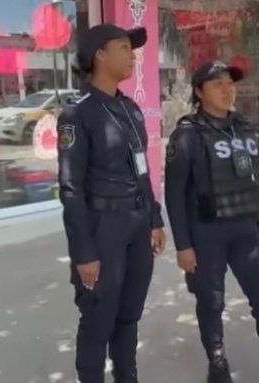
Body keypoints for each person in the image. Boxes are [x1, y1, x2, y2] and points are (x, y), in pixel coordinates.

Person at [165, 60, 259, 383]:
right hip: (206, 232)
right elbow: (174, 195)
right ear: (199, 92)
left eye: (230, 82)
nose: (228, 90)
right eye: (217, 84)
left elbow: (256, 179)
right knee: (211, 301)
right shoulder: (187, 135)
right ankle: (217, 363)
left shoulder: (244, 125)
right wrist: (183, 246)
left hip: (245, 230)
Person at [57, 23, 167, 383]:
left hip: (137, 226)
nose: (132, 55)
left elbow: (142, 169)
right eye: (123, 46)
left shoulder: (130, 109)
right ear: (99, 55)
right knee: (98, 318)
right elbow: (70, 188)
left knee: (128, 314)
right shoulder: (79, 113)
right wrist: (83, 252)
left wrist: (154, 217)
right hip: (103, 228)